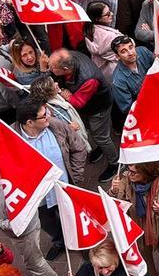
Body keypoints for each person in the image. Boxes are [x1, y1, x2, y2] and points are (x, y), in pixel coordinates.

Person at [10, 99, 88, 261]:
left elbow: (78, 147)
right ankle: (60, 240)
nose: (49, 116)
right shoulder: (11, 137)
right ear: (30, 122)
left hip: (63, 187)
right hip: (38, 195)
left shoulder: (56, 126)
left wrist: (76, 173)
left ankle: (80, 243)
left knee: (73, 217)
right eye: (43, 115)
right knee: (47, 222)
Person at [48, 49, 119, 182]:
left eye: (53, 68)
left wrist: (67, 96)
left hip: (98, 108)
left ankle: (114, 163)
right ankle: (100, 148)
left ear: (64, 68)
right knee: (92, 130)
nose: (50, 69)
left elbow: (78, 102)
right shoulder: (70, 57)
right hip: (89, 107)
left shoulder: (88, 78)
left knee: (101, 136)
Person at [110, 35, 157, 113]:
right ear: (117, 57)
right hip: (146, 110)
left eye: (131, 47)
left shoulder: (143, 51)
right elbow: (128, 109)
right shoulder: (118, 81)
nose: (130, 53)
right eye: (123, 51)